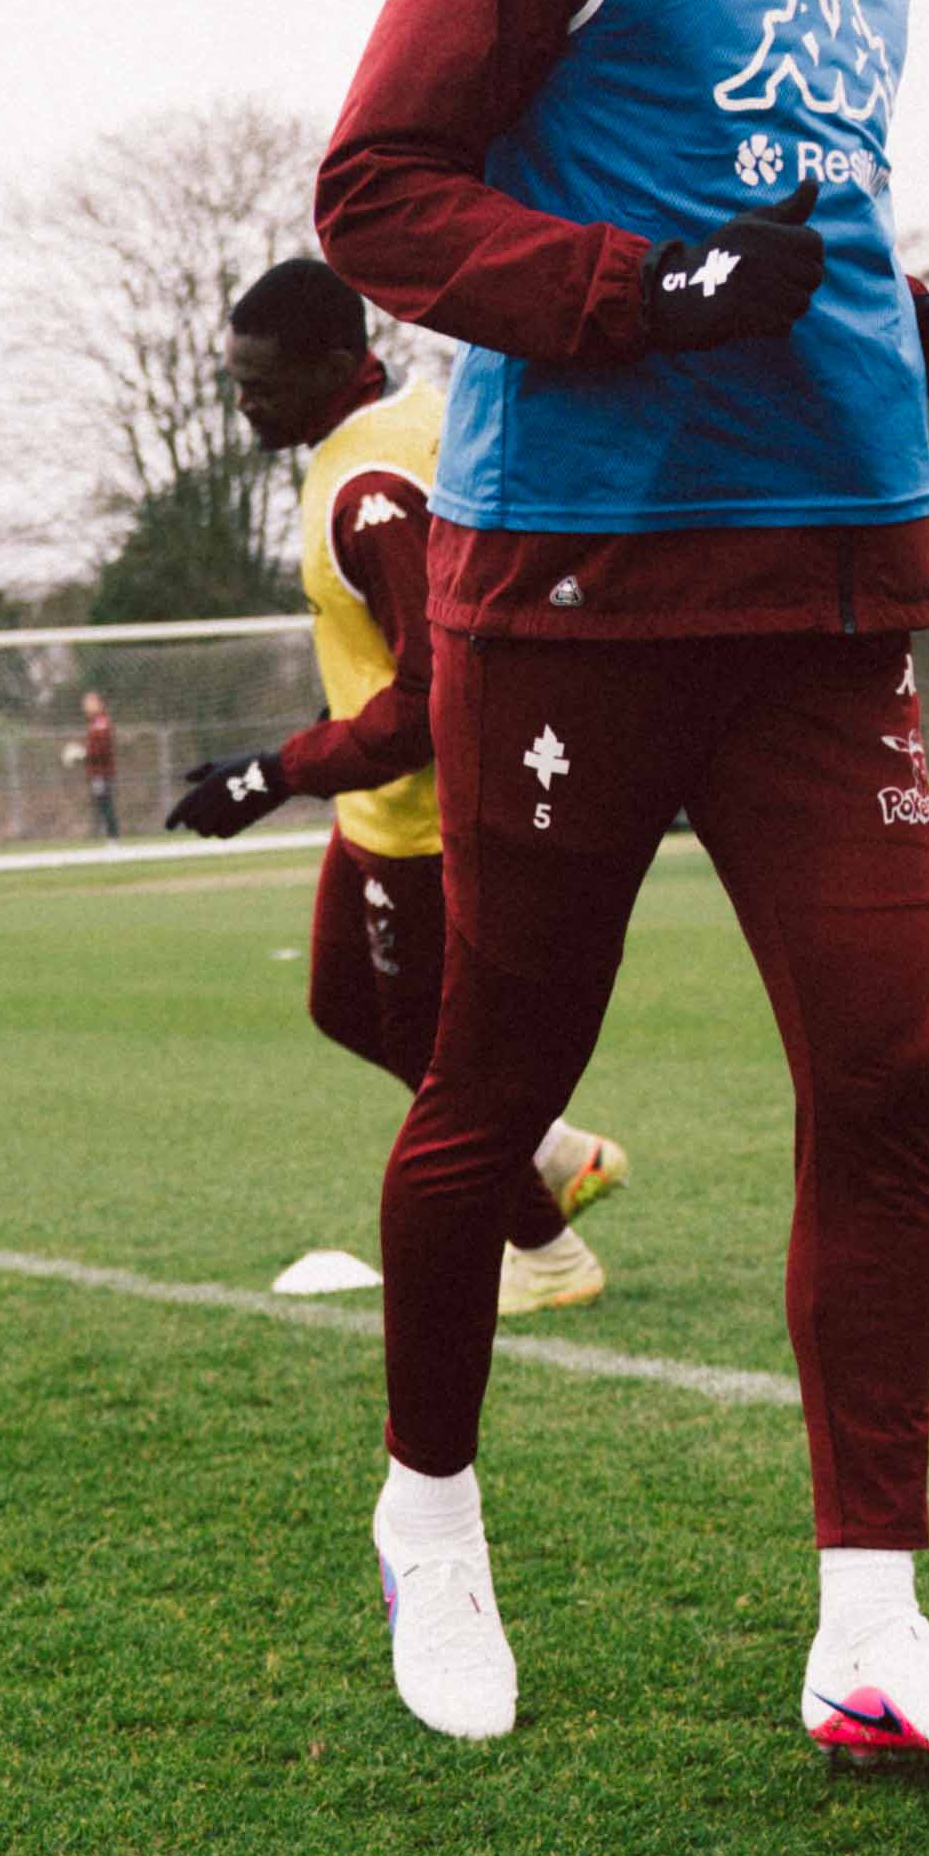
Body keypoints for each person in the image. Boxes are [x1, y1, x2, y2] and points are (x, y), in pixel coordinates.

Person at [309, 0, 929, 1775]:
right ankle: (429, 1510)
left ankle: (871, 1633)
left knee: (889, 1077)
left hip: (831, 579)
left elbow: (795, 192)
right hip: (578, 594)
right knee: (494, 1092)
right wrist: (633, 303)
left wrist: (905, 332)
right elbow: (381, 192)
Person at [169, 255, 631, 1315]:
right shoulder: (391, 424)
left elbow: (431, 701)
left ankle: (548, 1250)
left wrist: (273, 773)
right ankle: (556, 1152)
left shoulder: (371, 493)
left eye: (260, 384)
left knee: (443, 1058)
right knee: (345, 1004)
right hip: (376, 812)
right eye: (234, 380)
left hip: (425, 817)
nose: (244, 403)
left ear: (338, 364)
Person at [77, 690, 122, 842]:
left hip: (102, 771)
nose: (86, 707)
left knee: (105, 802)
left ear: (98, 703)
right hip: (95, 771)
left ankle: (113, 837)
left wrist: (83, 754)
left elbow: (103, 748)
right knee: (101, 802)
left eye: (89, 703)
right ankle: (109, 835)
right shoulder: (94, 723)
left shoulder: (101, 722)